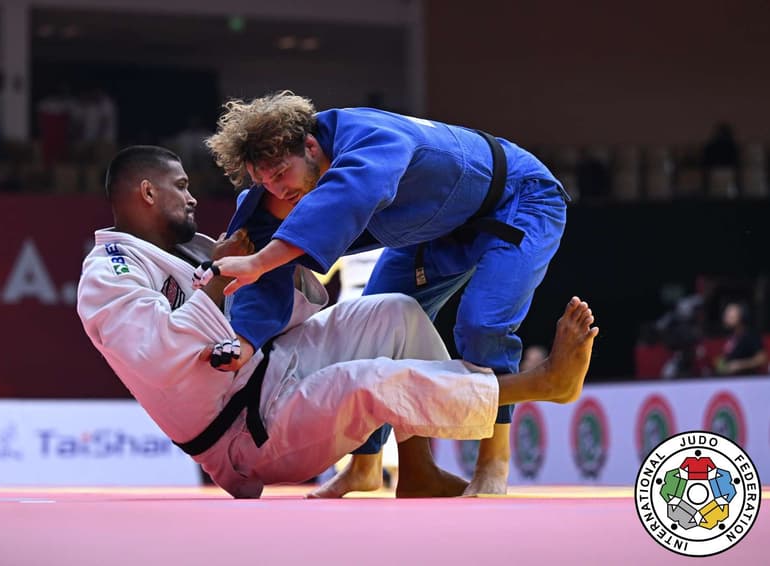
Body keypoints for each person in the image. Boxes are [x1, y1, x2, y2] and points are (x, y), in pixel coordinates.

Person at [76, 145, 599, 499]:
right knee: (365, 382)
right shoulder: (108, 273)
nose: (192, 197)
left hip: (270, 372)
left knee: (394, 312)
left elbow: (292, 312)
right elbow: (157, 355)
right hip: (243, 434)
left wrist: (274, 265)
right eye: (181, 186)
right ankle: (537, 385)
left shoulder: (193, 249)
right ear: (147, 193)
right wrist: (218, 280)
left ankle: (416, 469)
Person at [204, 91, 572, 496]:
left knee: (482, 324)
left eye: (280, 174)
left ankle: (493, 462)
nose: (277, 190)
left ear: (310, 146)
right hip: (433, 228)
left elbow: (344, 197)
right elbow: (260, 260)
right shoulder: (281, 189)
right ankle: (373, 467)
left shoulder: (371, 137)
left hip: (517, 200)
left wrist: (260, 261)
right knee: (376, 324)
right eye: (264, 182)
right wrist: (243, 340)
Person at [715, 302, 767, 376]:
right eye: (725, 315)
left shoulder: (750, 335)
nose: (725, 319)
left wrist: (740, 365)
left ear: (741, 317)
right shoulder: (731, 337)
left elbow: (761, 359)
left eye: (730, 316)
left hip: (748, 379)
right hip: (732, 380)